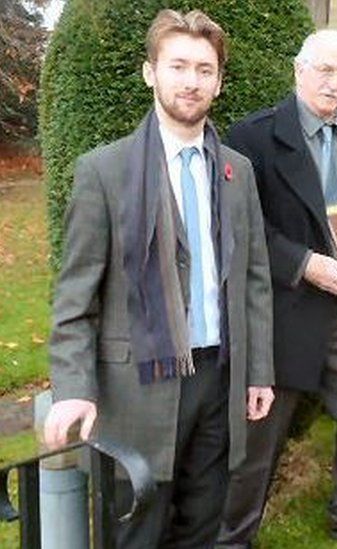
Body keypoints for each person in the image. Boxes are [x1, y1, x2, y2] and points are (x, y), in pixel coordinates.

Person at [43, 9, 275, 547]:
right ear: (151, 72)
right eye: (177, 66)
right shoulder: (103, 172)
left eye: (204, 69)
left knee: (201, 523)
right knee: (137, 530)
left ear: (218, 82)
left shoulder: (238, 173)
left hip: (220, 377)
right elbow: (76, 298)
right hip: (138, 384)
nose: (190, 81)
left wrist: (258, 370)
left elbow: (255, 280)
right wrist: (74, 389)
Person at [216, 29, 337, 545]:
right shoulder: (251, 137)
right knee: (261, 437)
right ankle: (233, 537)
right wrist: (304, 263)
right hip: (279, 311)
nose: (335, 83)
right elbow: (239, 228)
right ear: (298, 70)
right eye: (325, 71)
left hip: (336, 308)